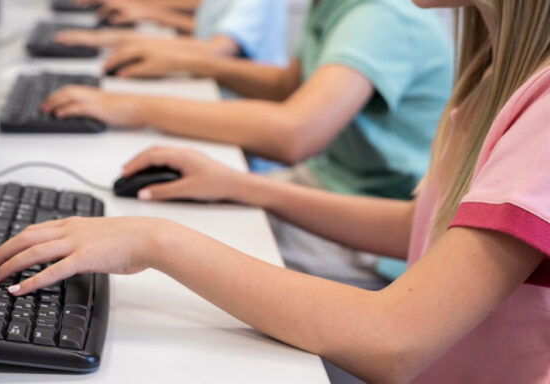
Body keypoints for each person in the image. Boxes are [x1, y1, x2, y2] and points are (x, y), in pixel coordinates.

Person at [0, 0, 550, 381]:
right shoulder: (490, 72)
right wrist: (246, 187)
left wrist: (154, 241)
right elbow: (423, 227)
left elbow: (395, 341)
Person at [44, 0, 454, 288]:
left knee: (177, 261)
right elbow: (289, 84)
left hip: (371, 223)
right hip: (330, 182)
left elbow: (294, 135)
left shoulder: (381, 15)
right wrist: (193, 61)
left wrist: (133, 108)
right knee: (168, 219)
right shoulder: (339, 5)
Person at [55, 0, 288, 66]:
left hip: (243, 125)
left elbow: (217, 48)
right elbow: (208, 22)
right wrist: (148, 11)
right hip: (214, 91)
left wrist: (110, 39)